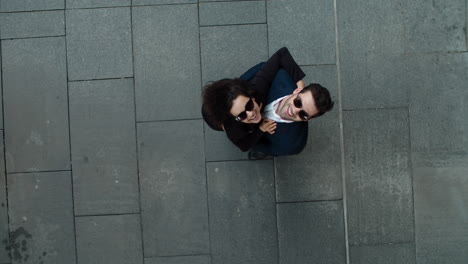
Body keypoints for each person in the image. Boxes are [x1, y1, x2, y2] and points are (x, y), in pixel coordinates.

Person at [202, 47, 334, 158]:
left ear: (309, 119)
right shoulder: (279, 77)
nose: (294, 110)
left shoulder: (293, 143)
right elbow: (262, 67)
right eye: (298, 102)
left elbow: (260, 147)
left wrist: (259, 142)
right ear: (297, 91)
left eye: (304, 115)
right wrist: (236, 90)